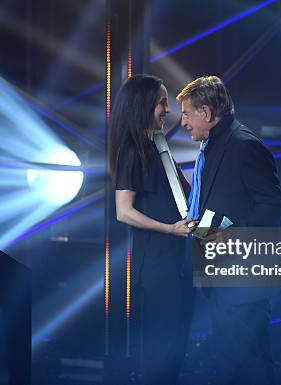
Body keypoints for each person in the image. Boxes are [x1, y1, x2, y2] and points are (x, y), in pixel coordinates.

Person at [178, 76, 281, 385]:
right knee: (236, 363)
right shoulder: (215, 146)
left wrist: (232, 234)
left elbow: (275, 204)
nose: (183, 121)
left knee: (246, 366)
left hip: (244, 280)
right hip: (226, 278)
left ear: (207, 113)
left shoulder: (244, 145)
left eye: (187, 113)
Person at [110, 74, 194, 384]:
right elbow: (124, 212)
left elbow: (183, 194)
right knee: (162, 347)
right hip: (157, 266)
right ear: (145, 105)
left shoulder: (159, 145)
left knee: (175, 344)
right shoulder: (132, 151)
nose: (168, 110)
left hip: (176, 260)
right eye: (162, 103)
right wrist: (169, 229)